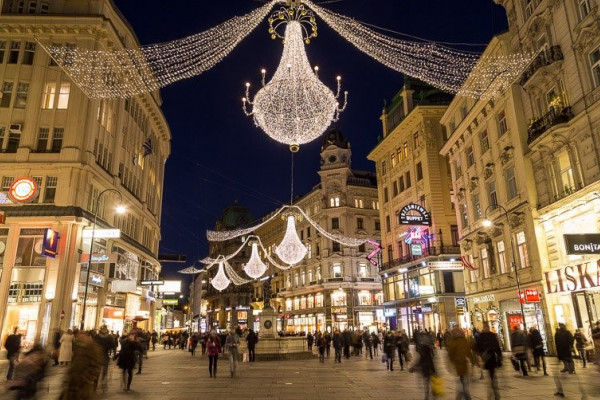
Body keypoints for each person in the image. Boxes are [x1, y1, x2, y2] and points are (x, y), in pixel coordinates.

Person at [59, 330, 103, 399]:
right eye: (78, 335)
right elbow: (74, 364)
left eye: (82, 335)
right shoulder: (79, 347)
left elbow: (96, 367)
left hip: (83, 386)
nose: (79, 337)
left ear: (87, 336)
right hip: (74, 383)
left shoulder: (93, 349)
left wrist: (87, 379)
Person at [475, 323, 503, 400]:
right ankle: (493, 391)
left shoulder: (489, 335)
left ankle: (493, 391)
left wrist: (500, 356)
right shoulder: (484, 336)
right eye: (486, 327)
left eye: (487, 327)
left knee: (492, 374)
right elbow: (478, 347)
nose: (486, 329)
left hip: (490, 357)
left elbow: (497, 346)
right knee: (491, 375)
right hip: (487, 358)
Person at [447, 327, 475, 400]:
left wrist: (472, 360)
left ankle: (460, 397)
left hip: (464, 364)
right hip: (458, 364)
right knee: (463, 383)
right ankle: (467, 398)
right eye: (456, 332)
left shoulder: (464, 340)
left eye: (458, 332)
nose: (458, 333)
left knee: (463, 383)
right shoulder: (453, 341)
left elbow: (468, 351)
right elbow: (450, 353)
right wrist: (452, 361)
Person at [411, 334, 438, 400]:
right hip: (430, 370)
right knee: (430, 384)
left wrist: (413, 368)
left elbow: (419, 361)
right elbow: (431, 362)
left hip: (426, 371)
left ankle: (427, 397)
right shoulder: (429, 352)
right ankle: (432, 396)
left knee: (427, 385)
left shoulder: (423, 352)